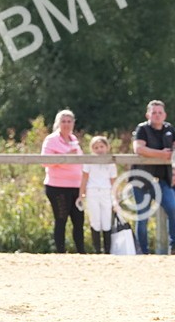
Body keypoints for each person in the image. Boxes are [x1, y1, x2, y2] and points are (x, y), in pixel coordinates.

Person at [131, 100, 175, 255]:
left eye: (159, 112)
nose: (157, 115)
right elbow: (139, 149)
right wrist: (162, 154)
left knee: (174, 210)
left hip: (162, 180)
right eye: (153, 112)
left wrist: (174, 154)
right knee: (143, 217)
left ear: (165, 115)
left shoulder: (169, 128)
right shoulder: (142, 129)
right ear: (148, 114)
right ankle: (143, 251)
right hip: (142, 180)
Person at [42, 109, 86, 253]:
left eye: (69, 121)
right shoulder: (51, 140)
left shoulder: (74, 140)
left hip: (76, 187)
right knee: (61, 220)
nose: (66, 124)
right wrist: (65, 156)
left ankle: (81, 251)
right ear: (58, 123)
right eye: (63, 121)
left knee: (79, 221)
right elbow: (45, 162)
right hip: (57, 186)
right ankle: (60, 252)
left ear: (73, 123)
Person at [85, 135, 118, 254]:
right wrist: (81, 194)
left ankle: (108, 250)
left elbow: (113, 182)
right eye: (96, 147)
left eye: (101, 146)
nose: (99, 150)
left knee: (106, 221)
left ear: (107, 147)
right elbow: (84, 178)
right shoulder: (89, 162)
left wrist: (116, 198)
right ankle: (97, 249)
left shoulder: (111, 163)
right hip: (92, 191)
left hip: (106, 192)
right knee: (95, 220)